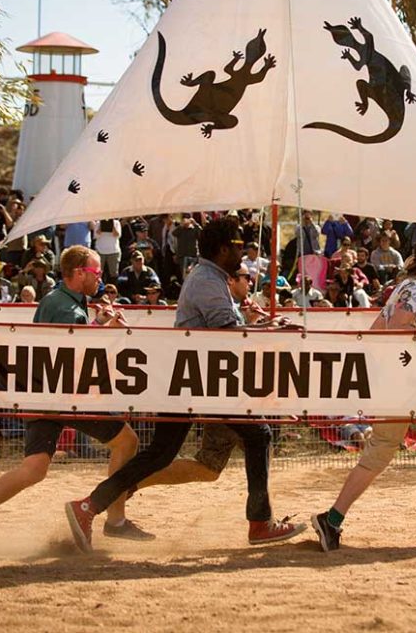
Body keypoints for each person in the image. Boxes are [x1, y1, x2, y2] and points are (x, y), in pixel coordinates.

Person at [62, 218, 303, 553]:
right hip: (198, 382)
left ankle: (88, 506)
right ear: (222, 249)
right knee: (257, 434)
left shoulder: (210, 278)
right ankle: (260, 524)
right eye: (236, 246)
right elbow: (226, 335)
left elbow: (226, 331)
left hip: (194, 381)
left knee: (160, 454)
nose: (242, 252)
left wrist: (266, 327)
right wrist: (274, 332)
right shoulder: (207, 281)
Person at [0, 245, 150, 554]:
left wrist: (98, 324)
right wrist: (105, 328)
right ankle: (116, 520)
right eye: (97, 273)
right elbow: (76, 352)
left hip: (45, 394)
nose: (101, 279)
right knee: (126, 442)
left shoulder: (62, 300)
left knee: (34, 468)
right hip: (63, 396)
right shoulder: (64, 306)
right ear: (80, 273)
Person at [311, 236, 416, 552]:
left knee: (378, 455)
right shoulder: (415, 292)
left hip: (395, 387)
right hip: (404, 387)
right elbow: (395, 333)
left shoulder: (410, 291)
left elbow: (381, 329)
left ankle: (331, 520)